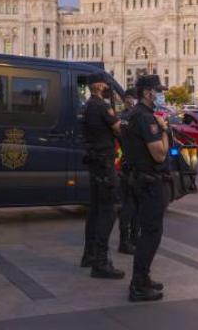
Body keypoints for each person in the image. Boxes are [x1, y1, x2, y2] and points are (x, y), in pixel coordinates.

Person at [124, 75, 170, 302]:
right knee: (151, 234)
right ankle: (138, 285)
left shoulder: (134, 115)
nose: (159, 94)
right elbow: (160, 154)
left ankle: (143, 278)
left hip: (140, 179)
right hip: (150, 182)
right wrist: (164, 130)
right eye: (156, 90)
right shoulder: (146, 118)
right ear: (146, 92)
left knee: (147, 232)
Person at [80, 72, 124, 279]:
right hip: (104, 162)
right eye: (106, 84)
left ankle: (89, 255)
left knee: (95, 209)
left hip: (94, 160)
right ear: (98, 85)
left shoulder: (88, 105)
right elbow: (118, 129)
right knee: (109, 209)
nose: (108, 87)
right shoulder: (101, 106)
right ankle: (101, 261)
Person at [117, 88, 140, 255]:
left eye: (132, 98)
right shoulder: (128, 117)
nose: (130, 101)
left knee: (134, 205)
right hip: (129, 165)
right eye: (128, 98)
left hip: (130, 164)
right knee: (129, 205)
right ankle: (126, 240)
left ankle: (132, 237)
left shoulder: (124, 117)